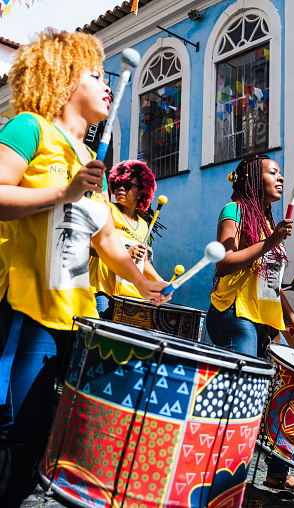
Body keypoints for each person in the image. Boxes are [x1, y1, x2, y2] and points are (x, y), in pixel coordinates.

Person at [0, 29, 170, 508]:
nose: (106, 80)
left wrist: (149, 282)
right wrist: (63, 192)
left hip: (75, 318)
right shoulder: (28, 128)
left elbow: (108, 244)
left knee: (44, 442)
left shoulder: (89, 164)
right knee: (16, 434)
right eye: (94, 73)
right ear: (60, 77)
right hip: (24, 313)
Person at [206, 154, 294, 494]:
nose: (280, 178)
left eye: (282, 173)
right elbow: (223, 263)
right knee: (243, 397)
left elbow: (270, 281)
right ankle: (218, 477)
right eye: (273, 173)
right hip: (234, 317)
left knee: (289, 393)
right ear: (253, 178)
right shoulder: (234, 211)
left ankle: (277, 473)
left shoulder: (267, 223)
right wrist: (269, 243)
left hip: (263, 322)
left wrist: (292, 319)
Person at [90, 160, 164, 317]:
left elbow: (142, 261)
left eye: (128, 185)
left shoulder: (144, 225)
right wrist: (125, 253)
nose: (120, 188)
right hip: (104, 292)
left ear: (140, 192)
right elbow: (92, 243)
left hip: (130, 297)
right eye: (117, 185)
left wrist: (159, 281)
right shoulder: (108, 209)